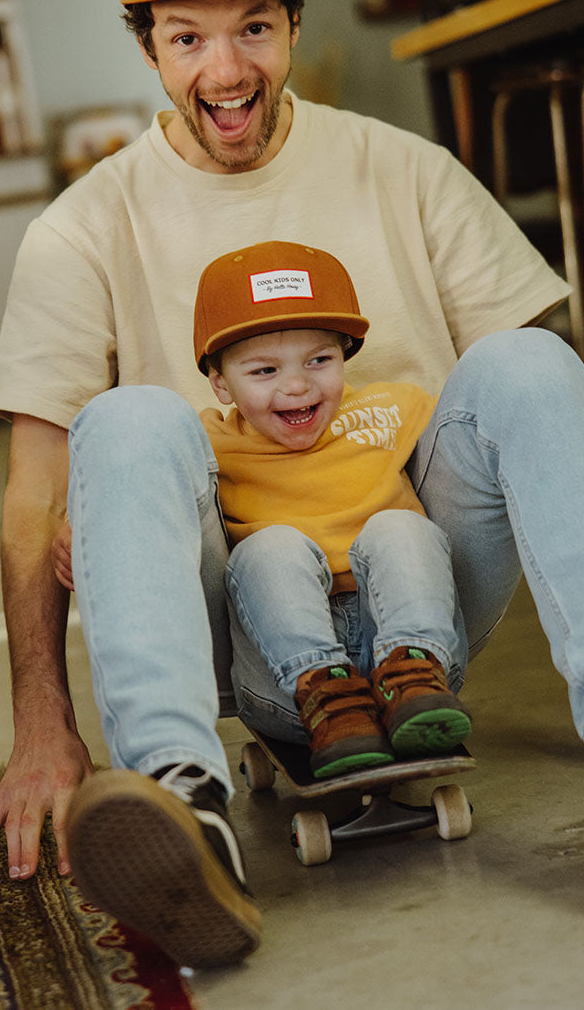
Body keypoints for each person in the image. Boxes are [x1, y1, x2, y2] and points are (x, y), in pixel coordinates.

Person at [0, 0, 584, 970]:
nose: (226, 72)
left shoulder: (404, 171)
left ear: (294, 23)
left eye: (254, 29)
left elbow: (540, 417)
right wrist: (42, 718)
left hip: (426, 596)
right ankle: (182, 799)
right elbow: (32, 493)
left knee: (529, 355)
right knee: (122, 420)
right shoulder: (81, 230)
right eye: (188, 37)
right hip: (244, 620)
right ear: (147, 48)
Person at [195, 240, 472, 778]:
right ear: (220, 383)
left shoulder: (390, 408)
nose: (297, 385)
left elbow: (474, 436)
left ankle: (413, 670)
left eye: (319, 360)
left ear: (345, 356)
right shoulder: (205, 440)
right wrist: (80, 522)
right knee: (268, 548)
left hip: (412, 653)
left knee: (400, 527)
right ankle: (328, 693)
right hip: (285, 678)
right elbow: (147, 479)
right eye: (264, 371)